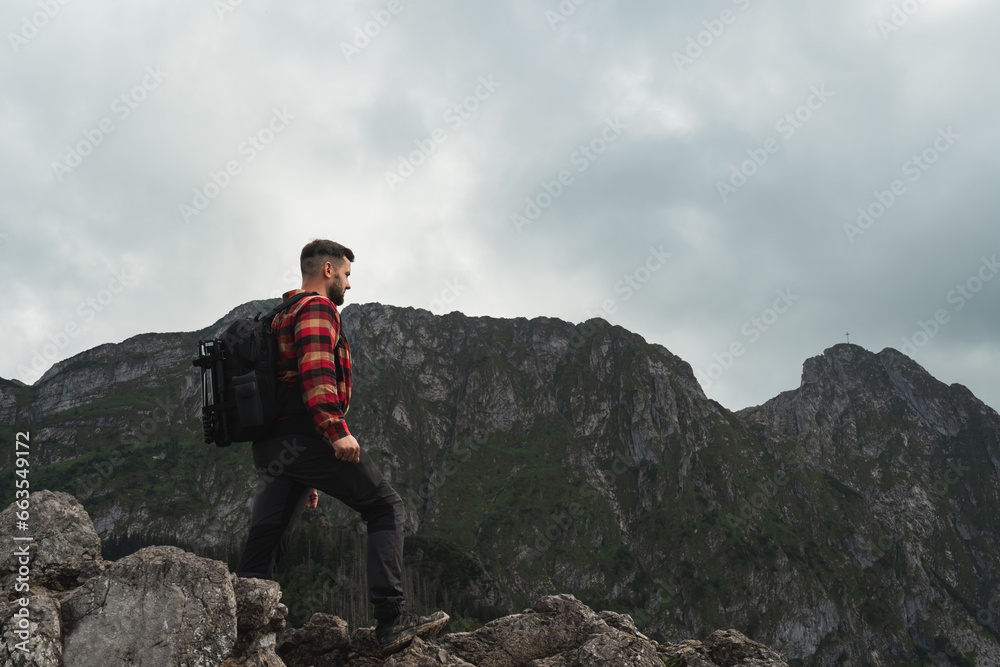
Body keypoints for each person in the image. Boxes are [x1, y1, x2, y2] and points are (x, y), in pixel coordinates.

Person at [234, 239, 448, 654]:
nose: (349, 286)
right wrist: (335, 431)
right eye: (347, 274)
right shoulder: (316, 308)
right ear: (328, 270)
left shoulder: (280, 314)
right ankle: (391, 621)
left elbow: (283, 385)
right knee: (385, 507)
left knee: (265, 541)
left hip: (273, 447)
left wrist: (304, 474)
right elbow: (315, 372)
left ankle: (236, 636)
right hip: (306, 436)